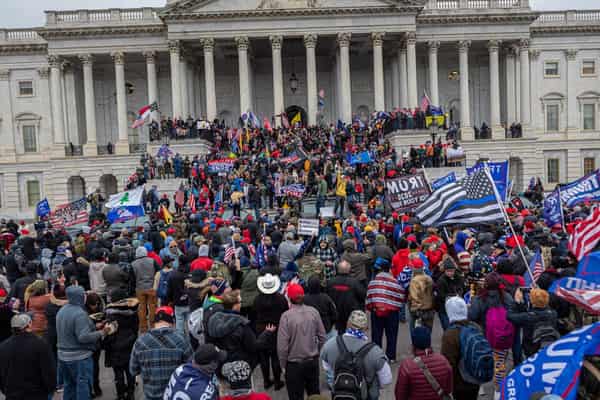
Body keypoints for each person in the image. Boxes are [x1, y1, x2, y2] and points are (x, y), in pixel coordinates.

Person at [321, 310, 392, 400]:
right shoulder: (376, 352)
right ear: (365, 328)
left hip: (340, 396)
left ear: (347, 324)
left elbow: (327, 369)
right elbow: (386, 380)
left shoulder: (329, 345)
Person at [56, 285, 112, 400]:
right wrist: (102, 332)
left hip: (63, 356)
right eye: (84, 295)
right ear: (80, 297)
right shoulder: (80, 313)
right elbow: (83, 337)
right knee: (83, 386)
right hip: (79, 358)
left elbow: (70, 330)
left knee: (69, 386)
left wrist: (93, 327)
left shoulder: (62, 310)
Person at [129, 306, 193, 400]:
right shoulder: (182, 340)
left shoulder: (140, 342)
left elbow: (133, 370)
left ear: (154, 323)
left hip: (150, 395)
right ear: (172, 322)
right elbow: (191, 368)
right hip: (174, 395)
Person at [277, 283, 326, 400]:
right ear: (303, 296)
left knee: (295, 396)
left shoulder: (286, 317)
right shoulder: (313, 312)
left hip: (293, 365)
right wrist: (317, 352)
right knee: (314, 395)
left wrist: (283, 365)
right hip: (312, 362)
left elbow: (282, 347)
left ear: (289, 298)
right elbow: (322, 337)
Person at [468, 272, 514, 396]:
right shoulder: (507, 297)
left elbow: (472, 316)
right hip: (502, 336)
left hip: (483, 335)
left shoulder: (479, 298)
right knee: (499, 363)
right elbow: (512, 314)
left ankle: (481, 387)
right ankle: (498, 392)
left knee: (482, 360)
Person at [206, 289, 275, 368]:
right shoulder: (242, 325)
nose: (241, 304)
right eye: (240, 302)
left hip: (220, 364)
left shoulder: (213, 320)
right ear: (235, 305)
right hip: (239, 366)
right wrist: (267, 333)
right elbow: (254, 346)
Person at [0, 313, 56, 400]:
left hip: (12, 394)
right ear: (29, 325)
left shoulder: (3, 346)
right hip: (36, 394)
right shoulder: (40, 344)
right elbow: (48, 372)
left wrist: (6, 390)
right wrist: (50, 389)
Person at [394, 326, 453, 400]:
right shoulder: (443, 361)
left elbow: (400, 396)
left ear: (413, 346)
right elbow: (448, 389)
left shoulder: (407, 366)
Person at [441, 296, 481, 400]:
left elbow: (448, 363)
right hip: (476, 377)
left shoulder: (450, 334)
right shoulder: (476, 327)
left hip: (460, 383)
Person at [366, 258, 405, 362]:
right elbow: (401, 296)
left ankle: (376, 357)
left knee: (376, 335)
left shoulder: (373, 282)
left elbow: (369, 297)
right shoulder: (395, 282)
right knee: (391, 335)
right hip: (392, 313)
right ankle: (391, 357)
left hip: (376, 312)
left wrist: (372, 308)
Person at [254, 273, 289, 390]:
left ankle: (266, 381)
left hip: (261, 329)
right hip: (276, 328)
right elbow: (285, 313)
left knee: (263, 357)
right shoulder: (281, 298)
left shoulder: (257, 299)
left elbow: (253, 314)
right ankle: (277, 381)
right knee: (275, 356)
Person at [103, 288, 139, 400]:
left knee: (118, 373)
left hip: (115, 347)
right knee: (130, 371)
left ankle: (120, 394)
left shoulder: (110, 315)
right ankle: (131, 393)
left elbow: (109, 333)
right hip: (129, 344)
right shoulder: (132, 311)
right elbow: (135, 328)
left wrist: (106, 345)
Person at [508, 288, 558, 358]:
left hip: (531, 349)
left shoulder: (528, 316)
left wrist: (516, 302)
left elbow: (510, 316)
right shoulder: (553, 314)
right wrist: (539, 294)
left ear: (532, 301)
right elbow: (543, 306)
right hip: (547, 346)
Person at [327, 260, 366, 333]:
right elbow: (363, 295)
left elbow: (327, 297)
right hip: (351, 316)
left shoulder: (331, 282)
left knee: (339, 335)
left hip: (336, 315)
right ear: (349, 270)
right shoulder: (354, 282)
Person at [132, 246, 158, 333]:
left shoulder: (133, 264)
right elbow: (158, 272)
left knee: (141, 308)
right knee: (152, 306)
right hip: (151, 287)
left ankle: (143, 327)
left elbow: (132, 278)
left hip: (140, 288)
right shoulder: (152, 261)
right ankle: (153, 325)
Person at [435, 257, 465, 330]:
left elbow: (462, 288)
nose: (450, 273)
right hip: (443, 308)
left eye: (452, 271)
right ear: (444, 271)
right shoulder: (441, 281)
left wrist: (460, 293)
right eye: (448, 271)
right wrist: (454, 296)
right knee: (447, 327)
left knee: (455, 328)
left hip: (455, 308)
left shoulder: (458, 277)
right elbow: (441, 296)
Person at [407, 260, 434, 334]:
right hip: (429, 307)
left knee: (413, 326)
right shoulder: (429, 278)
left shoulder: (414, 280)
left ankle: (415, 342)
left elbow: (414, 296)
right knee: (428, 328)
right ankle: (427, 342)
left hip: (418, 308)